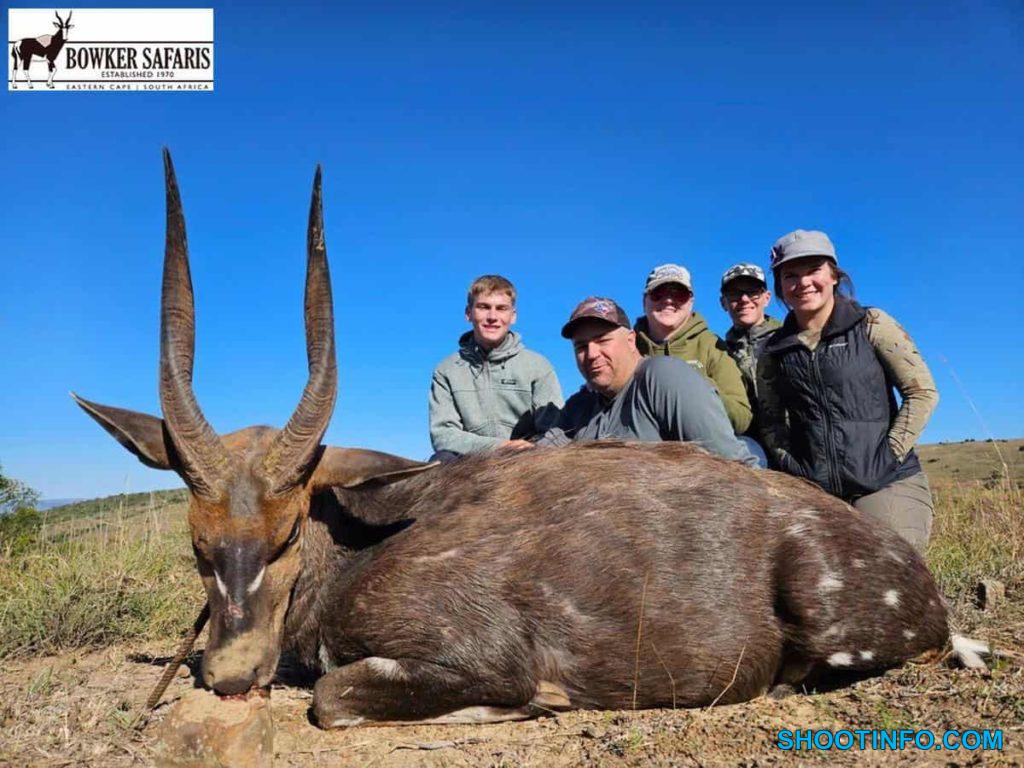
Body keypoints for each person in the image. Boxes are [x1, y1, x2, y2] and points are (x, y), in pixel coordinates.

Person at [756, 229, 939, 552]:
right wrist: (791, 464)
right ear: (780, 286)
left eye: (814, 270)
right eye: (790, 275)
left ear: (834, 276)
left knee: (889, 565)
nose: (803, 283)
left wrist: (888, 454)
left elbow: (922, 392)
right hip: (815, 491)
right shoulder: (772, 350)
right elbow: (770, 420)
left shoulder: (872, 323)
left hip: (886, 481)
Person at [536, 296, 757, 466]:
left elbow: (734, 466)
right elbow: (544, 452)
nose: (591, 354)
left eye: (602, 340)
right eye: (581, 346)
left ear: (631, 340)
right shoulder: (580, 405)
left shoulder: (664, 377)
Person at [429, 275, 563, 461]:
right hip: (470, 463)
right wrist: (500, 447)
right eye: (483, 307)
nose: (492, 317)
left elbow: (555, 431)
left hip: (526, 462)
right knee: (440, 460)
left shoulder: (538, 366)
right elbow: (443, 435)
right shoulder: (446, 370)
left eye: (501, 308)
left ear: (513, 316)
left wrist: (527, 452)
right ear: (468, 313)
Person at [633, 264, 752, 435]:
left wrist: (697, 387)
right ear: (645, 300)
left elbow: (741, 418)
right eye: (658, 293)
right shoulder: (627, 347)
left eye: (679, 294)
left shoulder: (712, 346)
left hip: (701, 445)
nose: (668, 300)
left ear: (690, 302)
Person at [719, 262, 782, 442]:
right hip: (747, 445)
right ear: (723, 303)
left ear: (767, 298)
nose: (744, 299)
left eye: (753, 291)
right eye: (734, 293)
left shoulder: (789, 339)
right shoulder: (719, 352)